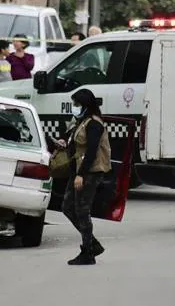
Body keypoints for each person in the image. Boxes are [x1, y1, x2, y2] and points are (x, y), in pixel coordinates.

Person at [61, 89, 112, 265]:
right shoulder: (81, 121)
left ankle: (88, 252)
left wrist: (81, 175)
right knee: (67, 207)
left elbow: (91, 152)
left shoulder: (94, 124)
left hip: (89, 171)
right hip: (78, 169)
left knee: (82, 210)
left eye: (77, 104)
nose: (74, 108)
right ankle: (92, 243)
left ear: (86, 105)